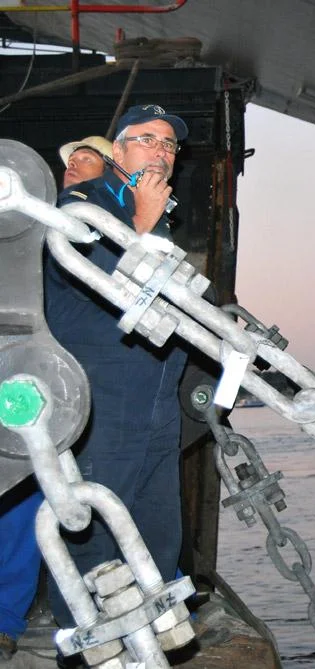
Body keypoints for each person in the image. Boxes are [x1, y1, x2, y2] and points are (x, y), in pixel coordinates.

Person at [43, 104, 189, 631]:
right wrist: (145, 226)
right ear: (119, 152)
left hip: (155, 394)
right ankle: (85, 636)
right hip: (102, 394)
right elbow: (113, 287)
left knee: (157, 521)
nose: (161, 150)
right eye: (147, 139)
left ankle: (155, 625)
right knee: (95, 527)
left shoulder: (158, 214)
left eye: (169, 144)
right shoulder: (83, 205)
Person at [0, 134, 115, 662]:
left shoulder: (93, 232)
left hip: (50, 390)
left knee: (26, 506)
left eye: (88, 161)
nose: (73, 169)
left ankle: (3, 618)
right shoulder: (30, 223)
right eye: (69, 161)